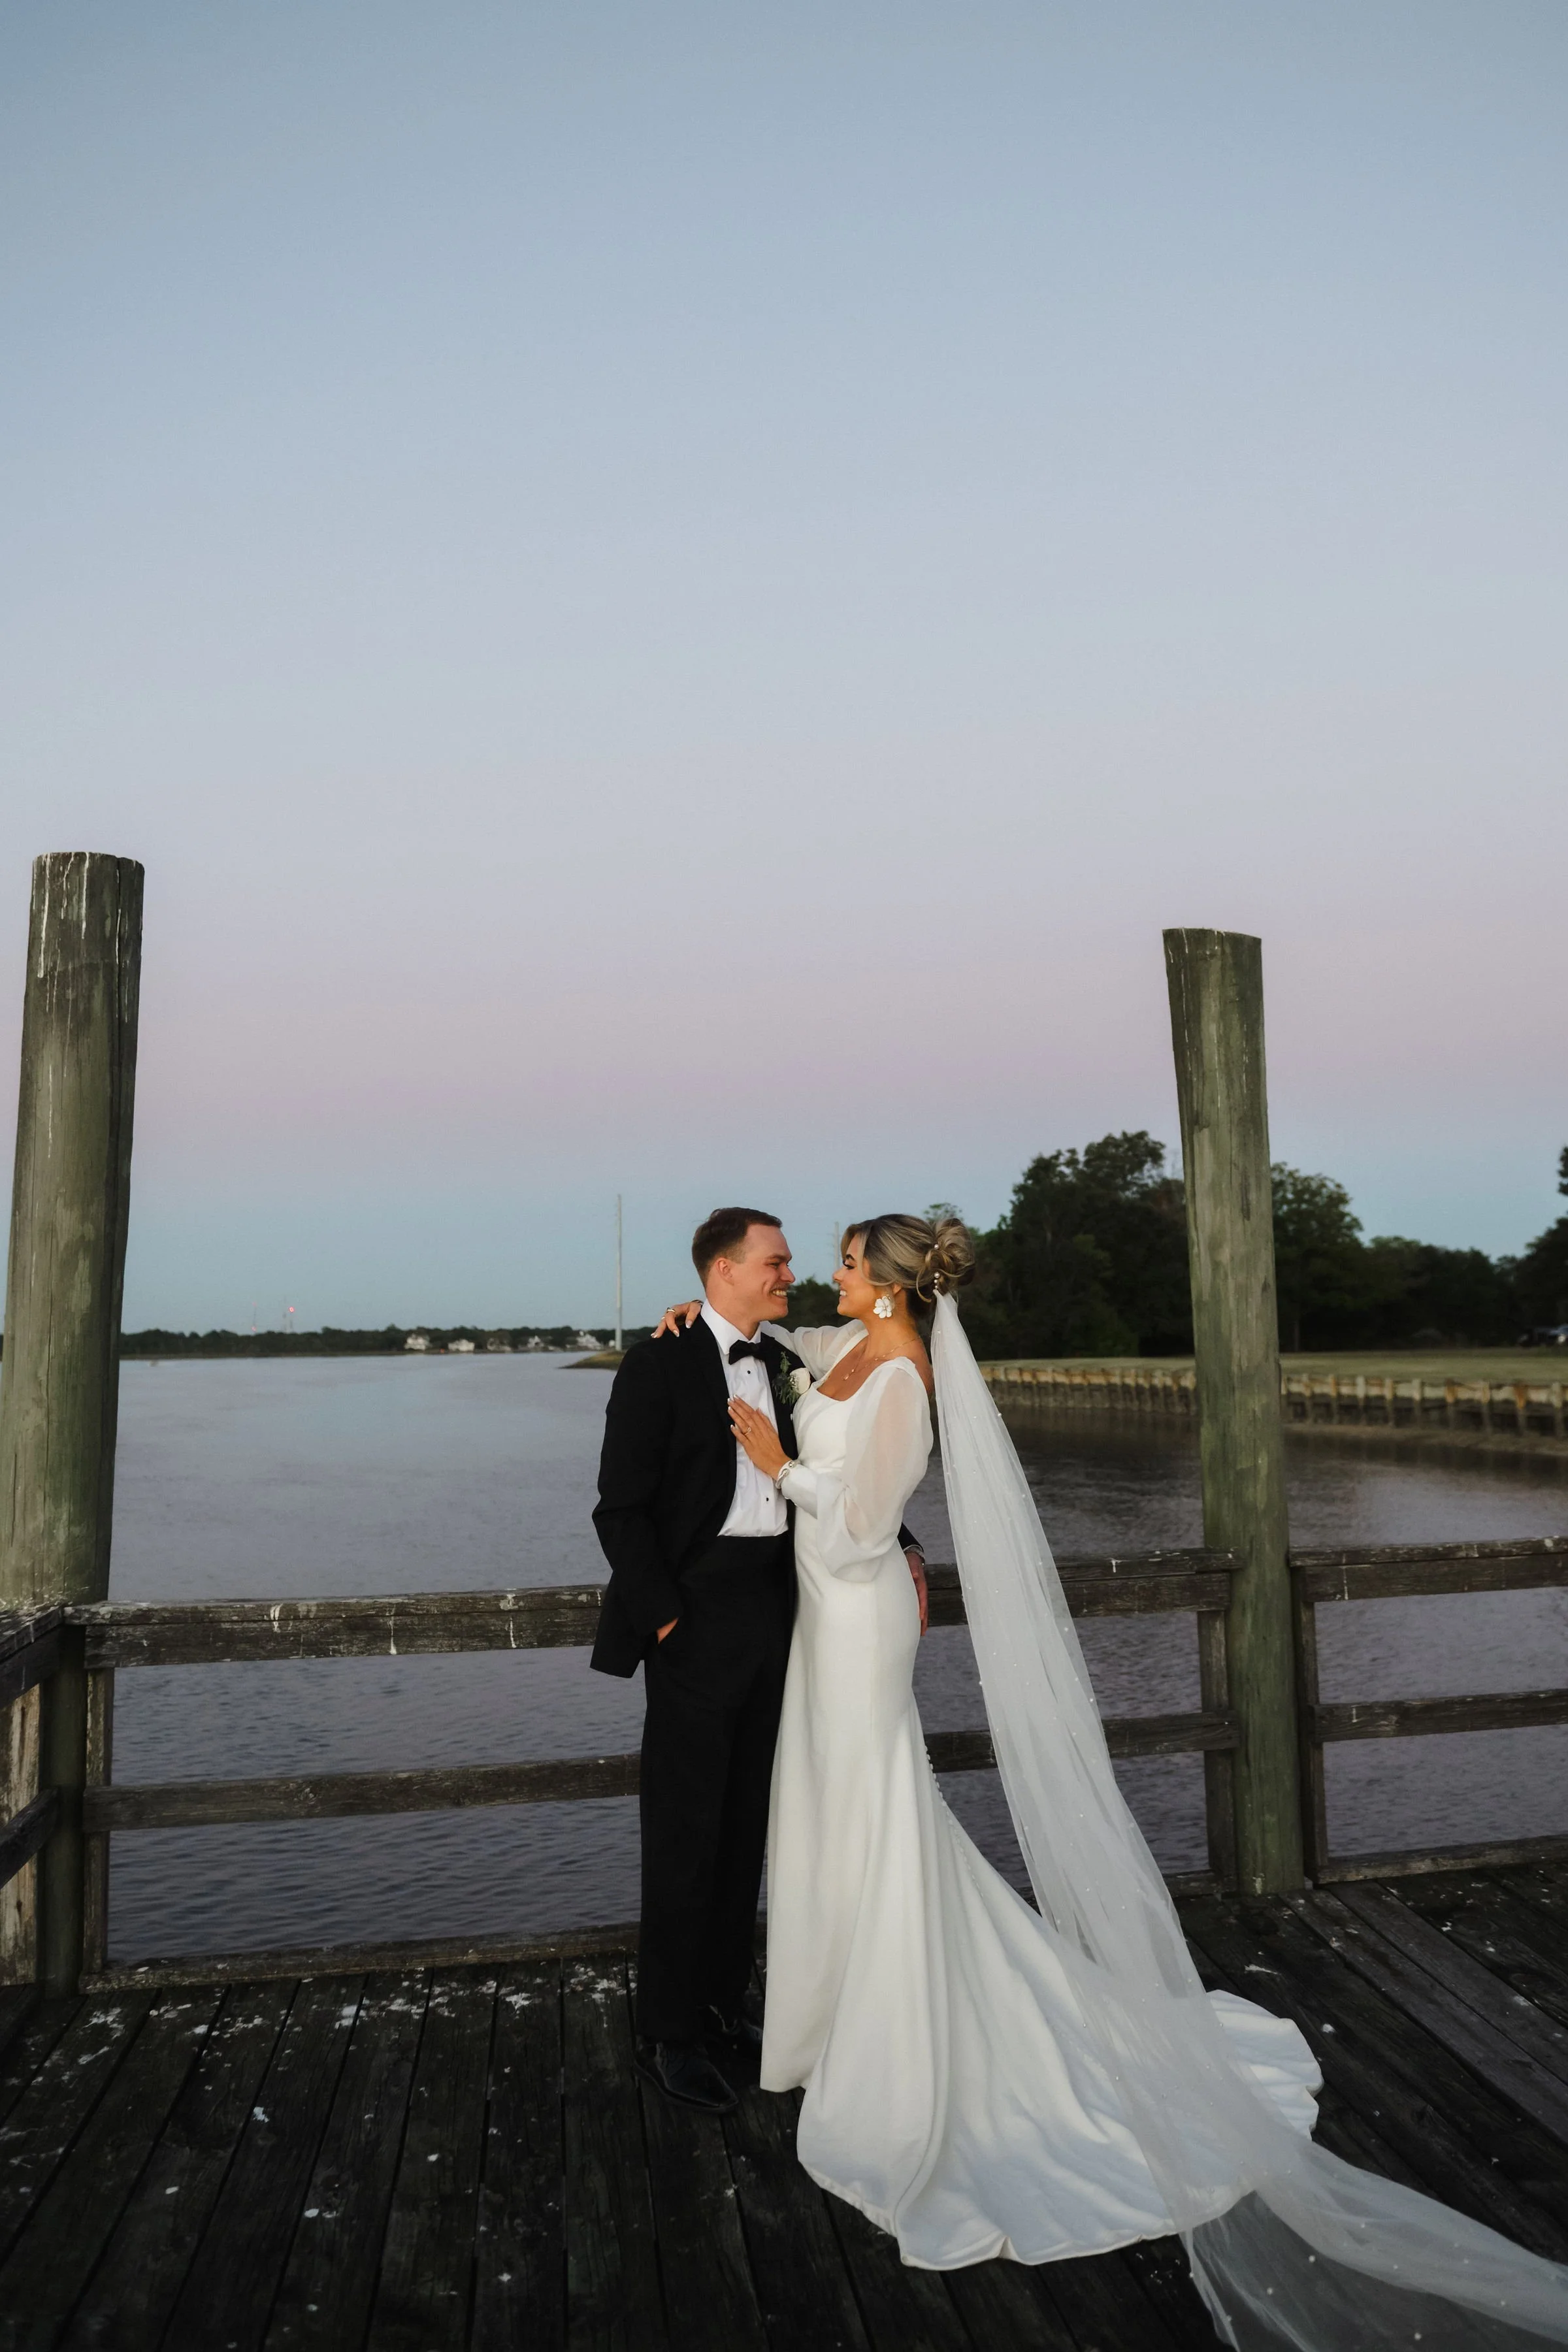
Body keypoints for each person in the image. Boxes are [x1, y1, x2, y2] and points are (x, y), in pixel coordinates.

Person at [651, 1211, 1568, 2349]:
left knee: (876, 1803)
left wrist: (779, 1466)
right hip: (824, 1626)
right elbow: (786, 1358)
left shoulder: (897, 1382)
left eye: (839, 1265)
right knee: (842, 1806)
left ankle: (894, 2033)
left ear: (884, 1288)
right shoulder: (857, 1354)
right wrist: (702, 1322)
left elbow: (862, 1529)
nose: (822, 1279)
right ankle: (832, 2013)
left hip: (856, 1613)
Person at [591, 1206, 926, 2117]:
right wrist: (664, 1621)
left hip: (786, 1615)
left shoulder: (787, 1359)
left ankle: (720, 2001)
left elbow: (870, 1461)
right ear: (724, 1268)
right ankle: (667, 2032)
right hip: (694, 1622)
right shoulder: (660, 1361)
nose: (792, 1274)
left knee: (749, 1829)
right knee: (686, 1832)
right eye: (775, 1262)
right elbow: (619, 1511)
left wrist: (908, 1550)